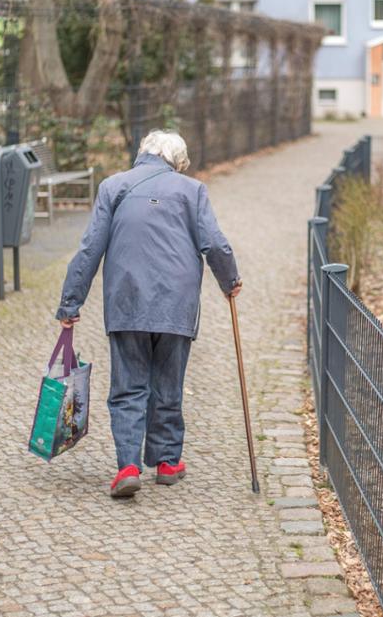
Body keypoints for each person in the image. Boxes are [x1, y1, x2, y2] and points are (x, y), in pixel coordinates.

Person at [55, 130, 241, 498]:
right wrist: (229, 281)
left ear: (143, 152)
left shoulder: (113, 187)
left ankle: (128, 466)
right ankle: (167, 462)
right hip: (177, 305)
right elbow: (215, 243)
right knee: (168, 384)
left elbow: (90, 248)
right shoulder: (193, 190)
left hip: (127, 302)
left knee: (128, 387)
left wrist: (70, 303)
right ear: (178, 161)